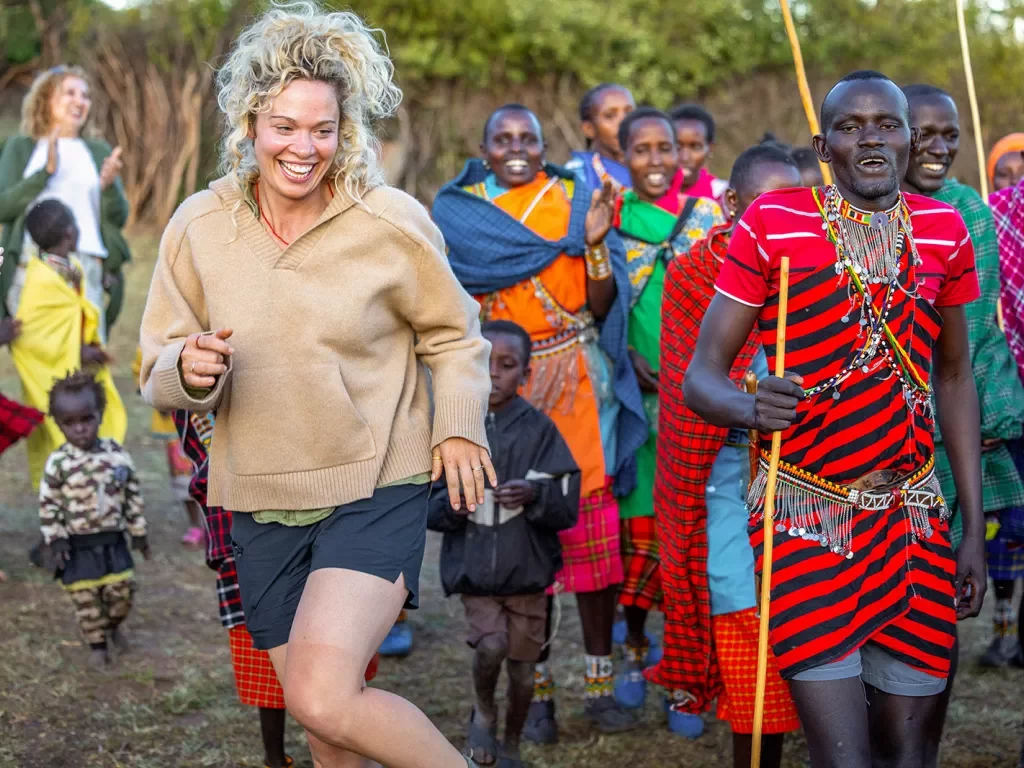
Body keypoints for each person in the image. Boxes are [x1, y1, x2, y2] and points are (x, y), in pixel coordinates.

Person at [138, 4, 494, 767]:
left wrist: (458, 423)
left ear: (347, 131)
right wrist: (186, 369)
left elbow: (454, 333)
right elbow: (155, 365)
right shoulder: (199, 225)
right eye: (284, 127)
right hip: (259, 493)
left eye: (322, 130)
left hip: (375, 481)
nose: (303, 148)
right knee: (327, 728)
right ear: (249, 121)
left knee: (325, 695)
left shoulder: (389, 221)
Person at [683, 71, 985, 768]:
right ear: (824, 145)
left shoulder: (945, 229)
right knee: (842, 757)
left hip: (913, 519)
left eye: (887, 123)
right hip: (805, 521)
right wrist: (749, 406)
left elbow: (955, 374)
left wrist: (968, 523)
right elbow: (701, 376)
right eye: (851, 126)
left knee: (909, 754)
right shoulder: (774, 222)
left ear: (910, 138)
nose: (871, 137)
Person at [433, 104, 646, 739]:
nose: (517, 148)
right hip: (495, 387)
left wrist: (596, 247)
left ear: (546, 146)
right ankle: (539, 691)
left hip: (573, 382)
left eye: (529, 138)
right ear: (484, 146)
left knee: (587, 534)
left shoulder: (576, 198)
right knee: (519, 540)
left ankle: (601, 683)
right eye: (504, 138)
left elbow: (600, 302)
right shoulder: (460, 210)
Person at [653, 143, 803, 760]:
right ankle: (755, 744)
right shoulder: (695, 273)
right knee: (744, 607)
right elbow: (693, 391)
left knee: (806, 612)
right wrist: (751, 402)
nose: (780, 217)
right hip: (724, 470)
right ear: (730, 203)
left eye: (795, 203)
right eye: (765, 204)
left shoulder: (821, 270)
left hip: (808, 473)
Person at [902, 85, 1024, 672]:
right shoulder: (862, 206)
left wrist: (986, 414)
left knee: (936, 592)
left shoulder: (969, 210)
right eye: (925, 133)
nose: (941, 147)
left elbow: (977, 330)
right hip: (873, 429)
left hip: (949, 415)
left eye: (952, 134)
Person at [609, 107, 725, 714]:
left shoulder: (711, 217)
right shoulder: (610, 219)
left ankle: (689, 674)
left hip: (697, 402)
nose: (656, 161)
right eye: (642, 150)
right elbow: (604, 306)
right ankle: (633, 648)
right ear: (621, 155)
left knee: (695, 537)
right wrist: (626, 354)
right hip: (638, 405)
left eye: (666, 150)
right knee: (641, 534)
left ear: (683, 157)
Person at [429, 320, 581, 768]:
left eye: (507, 365)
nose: (494, 373)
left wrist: (534, 496)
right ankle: (484, 710)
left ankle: (511, 741)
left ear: (526, 374)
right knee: (491, 645)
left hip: (528, 573)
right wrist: (457, 505)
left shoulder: (541, 431)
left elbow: (566, 503)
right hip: (475, 572)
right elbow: (429, 505)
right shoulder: (454, 427)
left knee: (522, 670)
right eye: (484, 363)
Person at [0, 65, 130, 340]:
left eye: (85, 96)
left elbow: (118, 217)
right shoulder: (22, 147)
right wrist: (44, 173)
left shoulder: (97, 151)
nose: (79, 101)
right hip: (32, 265)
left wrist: (107, 189)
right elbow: (4, 207)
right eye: (69, 93)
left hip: (86, 265)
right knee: (41, 358)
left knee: (88, 362)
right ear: (46, 98)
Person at [11, 199, 125, 487]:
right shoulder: (40, 279)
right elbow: (31, 336)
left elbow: (75, 316)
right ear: (70, 233)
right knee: (58, 438)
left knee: (94, 429)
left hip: (81, 374)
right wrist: (76, 351)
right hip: (52, 377)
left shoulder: (71, 268)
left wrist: (88, 346)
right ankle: (62, 505)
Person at [39, 370, 149, 667]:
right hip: (77, 545)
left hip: (113, 541)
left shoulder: (117, 456)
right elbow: (49, 504)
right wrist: (56, 540)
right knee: (86, 599)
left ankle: (113, 625)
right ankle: (97, 643)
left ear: (100, 415)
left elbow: (132, 494)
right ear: (58, 423)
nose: (80, 430)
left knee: (121, 595)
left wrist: (138, 532)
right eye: (69, 423)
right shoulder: (58, 463)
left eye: (86, 419)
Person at [991, 140, 1024, 673]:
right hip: (1006, 395)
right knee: (1008, 519)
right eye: (1005, 172)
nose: (1015, 182)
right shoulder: (985, 224)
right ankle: (1002, 631)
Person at [565, 83, 636, 193]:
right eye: (610, 116)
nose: (624, 122)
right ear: (589, 129)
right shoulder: (578, 173)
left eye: (629, 112)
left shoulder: (655, 165)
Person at [669, 104, 728, 204]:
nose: (684, 157)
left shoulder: (723, 196)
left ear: (710, 149)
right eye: (677, 147)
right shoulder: (649, 193)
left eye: (695, 147)